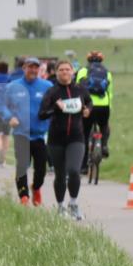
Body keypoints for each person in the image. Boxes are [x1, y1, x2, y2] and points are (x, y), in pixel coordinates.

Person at [39, 60, 93, 219]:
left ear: (72, 72)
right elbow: (42, 114)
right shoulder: (52, 92)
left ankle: (73, 204)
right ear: (56, 72)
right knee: (60, 175)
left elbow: (89, 102)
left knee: (74, 171)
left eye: (67, 69)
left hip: (76, 138)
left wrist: (87, 110)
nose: (64, 72)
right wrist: (56, 108)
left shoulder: (80, 89)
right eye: (61, 70)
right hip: (56, 139)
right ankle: (61, 207)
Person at [2, 57, 53, 206]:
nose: (33, 70)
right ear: (24, 68)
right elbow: (3, 107)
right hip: (21, 133)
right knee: (22, 165)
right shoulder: (12, 86)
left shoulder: (46, 86)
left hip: (40, 134)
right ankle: (23, 197)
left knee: (41, 169)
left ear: (39, 69)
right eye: (30, 67)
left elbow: (54, 105)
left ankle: (36, 187)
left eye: (36, 67)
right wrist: (9, 117)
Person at [75, 51, 113, 173]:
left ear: (88, 60)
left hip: (88, 107)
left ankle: (84, 166)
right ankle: (104, 146)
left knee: (84, 135)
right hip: (103, 105)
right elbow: (110, 93)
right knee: (105, 125)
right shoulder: (107, 73)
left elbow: (77, 90)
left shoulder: (82, 71)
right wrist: (108, 106)